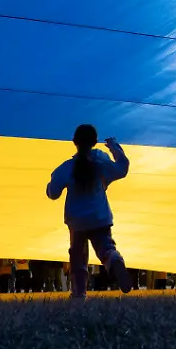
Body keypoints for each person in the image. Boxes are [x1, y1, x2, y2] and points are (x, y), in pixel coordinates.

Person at [47, 124, 133, 298]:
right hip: (100, 217)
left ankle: (79, 295)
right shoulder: (101, 162)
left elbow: (53, 192)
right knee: (106, 248)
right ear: (95, 142)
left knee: (78, 259)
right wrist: (114, 147)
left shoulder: (67, 167)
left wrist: (50, 187)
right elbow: (122, 168)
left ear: (74, 142)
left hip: (77, 221)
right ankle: (114, 260)